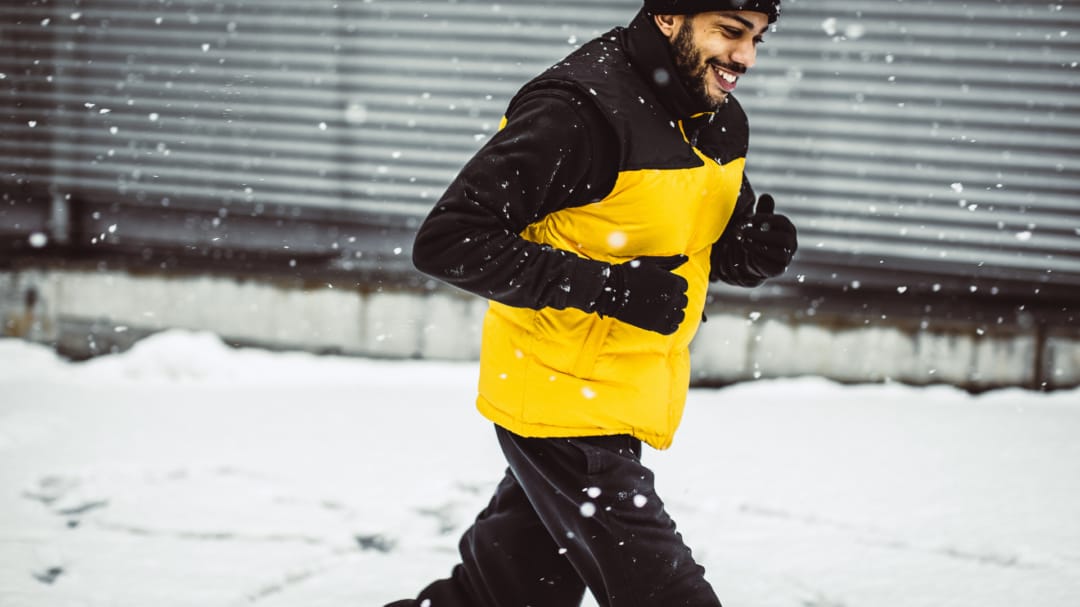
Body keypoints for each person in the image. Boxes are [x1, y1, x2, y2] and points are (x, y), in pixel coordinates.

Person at [389, 0, 796, 604]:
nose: (745, 56)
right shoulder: (578, 111)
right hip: (561, 393)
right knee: (666, 594)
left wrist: (748, 252)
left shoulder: (718, 117)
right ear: (667, 17)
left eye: (757, 38)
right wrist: (611, 288)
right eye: (730, 33)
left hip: (626, 389)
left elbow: (689, 238)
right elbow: (450, 241)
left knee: (508, 593)